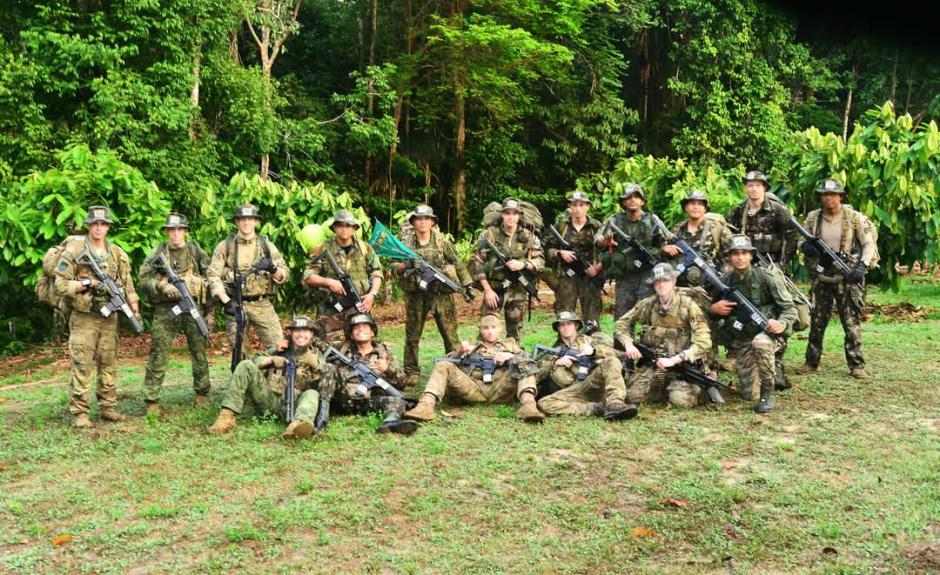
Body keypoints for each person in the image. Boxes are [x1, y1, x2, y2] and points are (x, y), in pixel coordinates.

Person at [53, 206, 140, 428]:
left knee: (108, 362)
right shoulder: (74, 251)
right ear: (89, 226)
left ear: (108, 227)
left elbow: (129, 287)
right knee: (82, 363)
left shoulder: (118, 253)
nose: (99, 228)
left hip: (110, 318)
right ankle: (80, 411)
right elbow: (60, 285)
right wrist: (87, 283)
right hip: (84, 317)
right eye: (95, 224)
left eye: (103, 224)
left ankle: (108, 406)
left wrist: (135, 310)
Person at [796, 178, 876, 379]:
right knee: (817, 321)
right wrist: (807, 247)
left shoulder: (854, 218)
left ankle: (856, 364)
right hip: (822, 277)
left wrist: (861, 266)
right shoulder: (814, 218)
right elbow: (801, 240)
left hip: (846, 277)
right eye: (824, 195)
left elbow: (868, 244)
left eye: (832, 194)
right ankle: (811, 362)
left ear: (840, 196)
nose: (828, 198)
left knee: (851, 323)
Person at [709, 235, 797, 413]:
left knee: (761, 343)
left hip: (768, 334)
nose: (740, 258)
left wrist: (781, 324)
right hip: (743, 338)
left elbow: (790, 309)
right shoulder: (725, 281)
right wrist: (714, 309)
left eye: (744, 253)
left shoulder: (767, 277)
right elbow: (711, 310)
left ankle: (768, 391)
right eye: (735, 254)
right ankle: (772, 373)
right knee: (749, 394)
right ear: (729, 257)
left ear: (751, 256)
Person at [726, 171, 798, 387]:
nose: (754, 189)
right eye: (750, 185)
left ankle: (776, 364)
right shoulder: (739, 210)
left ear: (765, 187)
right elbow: (732, 237)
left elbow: (791, 237)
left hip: (771, 267)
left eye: (758, 185)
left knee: (772, 311)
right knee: (742, 309)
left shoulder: (777, 209)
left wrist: (781, 266)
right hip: (745, 266)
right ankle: (739, 352)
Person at [207, 316, 334, 438]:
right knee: (245, 365)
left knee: (312, 393)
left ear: (312, 334)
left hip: (297, 405)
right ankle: (226, 417)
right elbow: (254, 361)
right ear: (290, 333)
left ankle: (299, 425)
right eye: (297, 331)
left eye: (305, 331)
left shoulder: (317, 355)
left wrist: (316, 365)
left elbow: (326, 387)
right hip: (269, 400)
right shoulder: (280, 348)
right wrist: (271, 359)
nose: (301, 334)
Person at [403, 314, 544, 423]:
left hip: (501, 388)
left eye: (493, 327)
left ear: (500, 329)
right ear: (480, 330)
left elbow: (531, 364)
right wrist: (460, 351)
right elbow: (449, 361)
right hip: (474, 389)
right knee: (443, 366)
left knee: (524, 366)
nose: (490, 332)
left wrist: (509, 357)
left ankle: (528, 406)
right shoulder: (472, 347)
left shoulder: (511, 345)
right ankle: (425, 406)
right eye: (486, 328)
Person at [139, 213, 213, 415]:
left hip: (193, 307)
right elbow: (142, 280)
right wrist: (161, 286)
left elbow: (213, 279)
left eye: (179, 230)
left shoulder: (196, 253)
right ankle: (152, 399)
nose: (175, 234)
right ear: (166, 232)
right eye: (171, 230)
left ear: (186, 232)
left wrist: (208, 308)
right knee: (159, 351)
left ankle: (202, 393)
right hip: (166, 310)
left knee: (199, 351)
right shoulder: (158, 253)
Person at [394, 204, 472, 386]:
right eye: (419, 219)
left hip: (440, 294)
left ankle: (454, 368)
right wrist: (405, 265)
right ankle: (411, 371)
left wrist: (467, 284)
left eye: (426, 219)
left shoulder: (441, 241)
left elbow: (457, 262)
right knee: (412, 335)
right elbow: (393, 264)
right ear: (413, 222)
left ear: (432, 222)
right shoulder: (404, 242)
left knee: (450, 333)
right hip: (416, 295)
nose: (422, 222)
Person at [615, 264, 712, 408]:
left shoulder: (688, 306)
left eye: (665, 280)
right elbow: (621, 323)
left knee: (680, 401)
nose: (661, 285)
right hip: (656, 362)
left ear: (673, 281)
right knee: (632, 397)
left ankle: (698, 385)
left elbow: (704, 342)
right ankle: (661, 387)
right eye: (658, 281)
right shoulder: (648, 304)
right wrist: (628, 343)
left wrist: (675, 360)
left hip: (682, 365)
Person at [206, 203, 289, 360]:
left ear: (256, 222)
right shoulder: (226, 246)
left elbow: (284, 274)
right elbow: (212, 274)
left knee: (279, 347)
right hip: (236, 304)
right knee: (239, 354)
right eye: (242, 219)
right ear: (237, 222)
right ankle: (243, 383)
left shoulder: (266, 246)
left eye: (250, 219)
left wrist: (272, 268)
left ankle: (277, 381)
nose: (246, 223)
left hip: (261, 304)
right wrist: (226, 301)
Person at [535, 311, 637, 419]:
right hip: (575, 391)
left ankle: (616, 404)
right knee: (544, 403)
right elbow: (539, 373)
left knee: (612, 361)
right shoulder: (554, 352)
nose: (565, 327)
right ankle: (597, 408)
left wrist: (594, 351)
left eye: (569, 324)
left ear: (576, 325)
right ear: (558, 329)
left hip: (596, 382)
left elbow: (621, 355)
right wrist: (555, 363)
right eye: (562, 325)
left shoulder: (593, 339)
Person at [303, 209, 383, 343]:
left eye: (348, 225)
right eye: (340, 225)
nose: (344, 229)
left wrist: (372, 295)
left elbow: (377, 272)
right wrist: (329, 282)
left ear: (354, 228)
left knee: (362, 344)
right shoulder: (322, 249)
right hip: (331, 308)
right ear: (334, 228)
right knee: (330, 349)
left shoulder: (365, 248)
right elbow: (308, 277)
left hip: (358, 306)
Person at [329, 313, 417, 435]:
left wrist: (388, 370)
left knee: (397, 401)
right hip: (341, 399)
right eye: (356, 327)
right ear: (351, 335)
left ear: (373, 333)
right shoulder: (342, 351)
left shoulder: (383, 354)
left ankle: (389, 423)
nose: (361, 329)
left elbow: (402, 383)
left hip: (368, 402)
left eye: (365, 326)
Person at [470, 198, 544, 339]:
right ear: (502, 215)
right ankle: (483, 357)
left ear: (519, 216)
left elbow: (540, 261)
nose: (511, 217)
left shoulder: (528, 237)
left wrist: (523, 264)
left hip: (517, 289)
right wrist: (487, 290)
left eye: (514, 214)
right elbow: (476, 263)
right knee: (487, 329)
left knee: (514, 332)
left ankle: (512, 358)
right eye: (507, 213)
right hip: (494, 289)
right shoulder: (489, 235)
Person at [596, 183, 662, 320]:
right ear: (624, 202)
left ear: (642, 201)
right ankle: (622, 342)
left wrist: (665, 249)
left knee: (648, 315)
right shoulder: (615, 220)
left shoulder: (652, 220)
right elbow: (598, 238)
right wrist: (605, 242)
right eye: (629, 197)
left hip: (647, 274)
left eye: (637, 197)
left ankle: (646, 342)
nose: (633, 200)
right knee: (622, 317)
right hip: (625, 275)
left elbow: (665, 241)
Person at [543, 192, 605, 324]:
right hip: (567, 277)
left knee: (592, 316)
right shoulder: (561, 225)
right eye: (574, 205)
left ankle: (593, 342)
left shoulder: (596, 226)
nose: (577, 208)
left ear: (588, 206)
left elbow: (606, 251)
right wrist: (560, 253)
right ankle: (564, 342)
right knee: (564, 315)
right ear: (570, 207)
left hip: (589, 275)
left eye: (581, 205)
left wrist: (597, 268)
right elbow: (547, 250)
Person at [661, 189, 733, 288]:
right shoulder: (678, 229)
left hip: (709, 286)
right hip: (681, 287)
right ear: (686, 207)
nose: (696, 207)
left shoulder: (716, 228)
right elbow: (665, 253)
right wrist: (665, 249)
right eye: (692, 203)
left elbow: (732, 254)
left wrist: (723, 274)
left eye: (700, 204)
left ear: (705, 208)